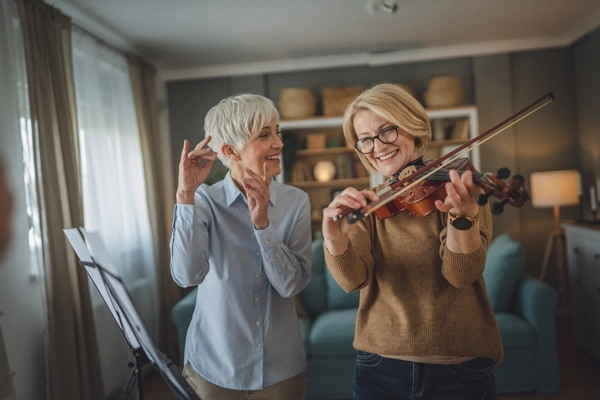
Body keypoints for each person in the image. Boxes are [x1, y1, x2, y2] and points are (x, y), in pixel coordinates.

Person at [322, 83, 502, 399]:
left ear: (414, 130)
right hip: (379, 368)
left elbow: (461, 275)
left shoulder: (461, 192)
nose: (377, 146)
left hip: (460, 368)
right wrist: (334, 238)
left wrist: (463, 217)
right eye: (365, 140)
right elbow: (353, 280)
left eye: (386, 131)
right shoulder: (368, 204)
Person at [170, 93, 311, 400]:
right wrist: (185, 195)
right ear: (230, 150)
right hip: (214, 368)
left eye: (277, 132)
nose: (279, 143)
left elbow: (291, 285)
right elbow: (187, 275)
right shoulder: (203, 201)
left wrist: (263, 224)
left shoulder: (296, 202)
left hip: (281, 372)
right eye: (265, 135)